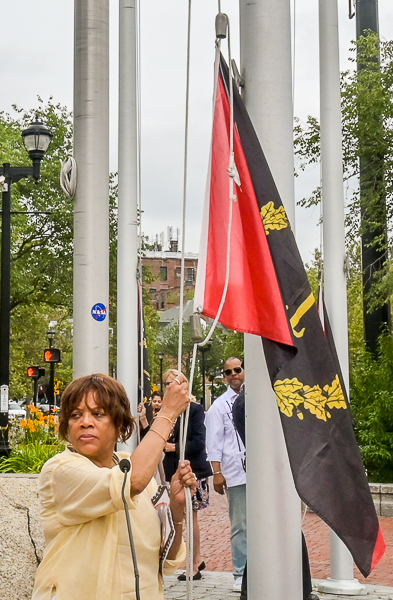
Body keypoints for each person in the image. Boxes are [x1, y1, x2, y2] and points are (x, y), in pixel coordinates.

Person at [32, 373, 196, 600]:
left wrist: (177, 511)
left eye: (98, 414)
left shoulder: (134, 467)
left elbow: (167, 561)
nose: (85, 422)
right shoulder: (60, 470)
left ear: (120, 424)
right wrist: (167, 413)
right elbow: (131, 482)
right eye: (75, 415)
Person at [232, 388, 318, 600]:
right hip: (275, 471)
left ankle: (250, 589)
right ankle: (302, 589)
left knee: (267, 532)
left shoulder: (246, 399)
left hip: (272, 470)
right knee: (282, 530)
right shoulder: (254, 399)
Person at [161, 369, 212, 581]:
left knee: (190, 516)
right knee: (179, 516)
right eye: (166, 383)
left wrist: (173, 447)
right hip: (173, 470)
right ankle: (195, 560)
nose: (169, 386)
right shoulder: (165, 411)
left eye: (173, 382)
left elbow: (200, 442)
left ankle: (194, 562)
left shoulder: (195, 409)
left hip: (192, 470)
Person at [205, 357, 246, 592]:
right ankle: (240, 573)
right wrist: (217, 473)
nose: (234, 374)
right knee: (241, 525)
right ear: (224, 376)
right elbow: (214, 443)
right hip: (235, 473)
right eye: (228, 372)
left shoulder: (259, 398)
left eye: (237, 369)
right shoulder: (218, 407)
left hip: (262, 474)